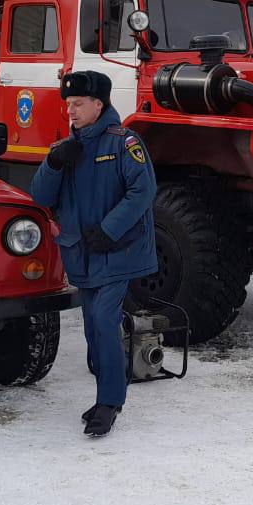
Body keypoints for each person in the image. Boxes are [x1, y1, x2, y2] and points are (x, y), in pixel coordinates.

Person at [30, 70, 158, 437]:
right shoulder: (67, 146)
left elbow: (143, 191)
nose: (71, 111)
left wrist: (109, 229)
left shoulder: (124, 142)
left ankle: (110, 403)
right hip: (81, 254)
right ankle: (106, 393)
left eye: (79, 104)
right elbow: (40, 197)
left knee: (104, 321)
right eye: (68, 104)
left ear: (98, 105)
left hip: (118, 250)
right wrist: (54, 164)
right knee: (92, 328)